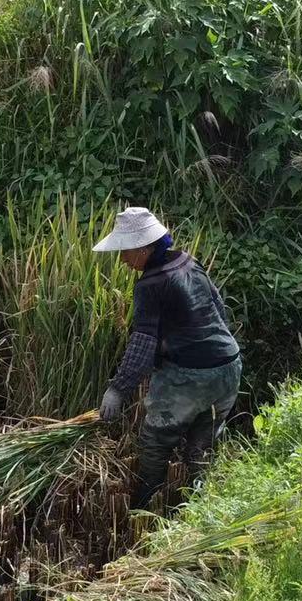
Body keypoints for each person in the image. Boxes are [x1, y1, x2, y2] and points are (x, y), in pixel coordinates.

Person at [92, 206, 242, 508]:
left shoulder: (150, 284)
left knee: (155, 441)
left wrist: (118, 389)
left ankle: (144, 504)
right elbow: (218, 307)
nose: (121, 258)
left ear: (144, 248)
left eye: (125, 250)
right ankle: (198, 507)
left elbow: (143, 342)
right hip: (228, 366)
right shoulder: (189, 262)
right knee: (202, 447)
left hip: (191, 376)